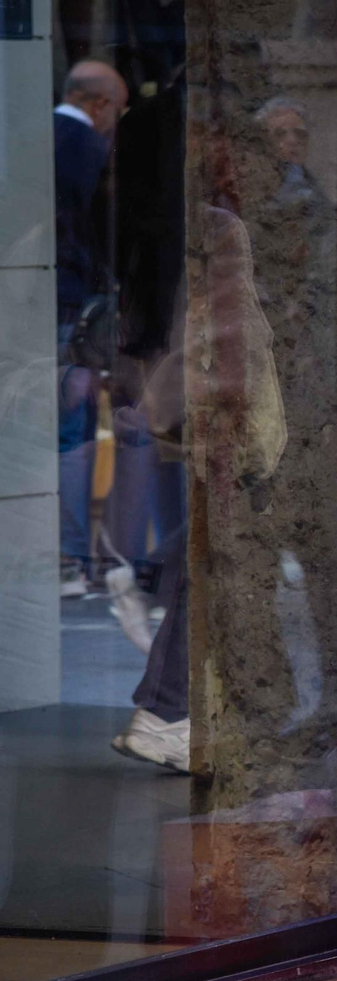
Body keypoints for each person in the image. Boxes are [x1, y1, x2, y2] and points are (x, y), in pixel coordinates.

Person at [54, 60, 128, 597]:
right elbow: (104, 235)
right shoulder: (86, 151)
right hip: (71, 306)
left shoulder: (22, 134)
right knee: (71, 431)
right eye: (117, 112)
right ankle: (71, 555)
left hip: (29, 303)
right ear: (98, 104)